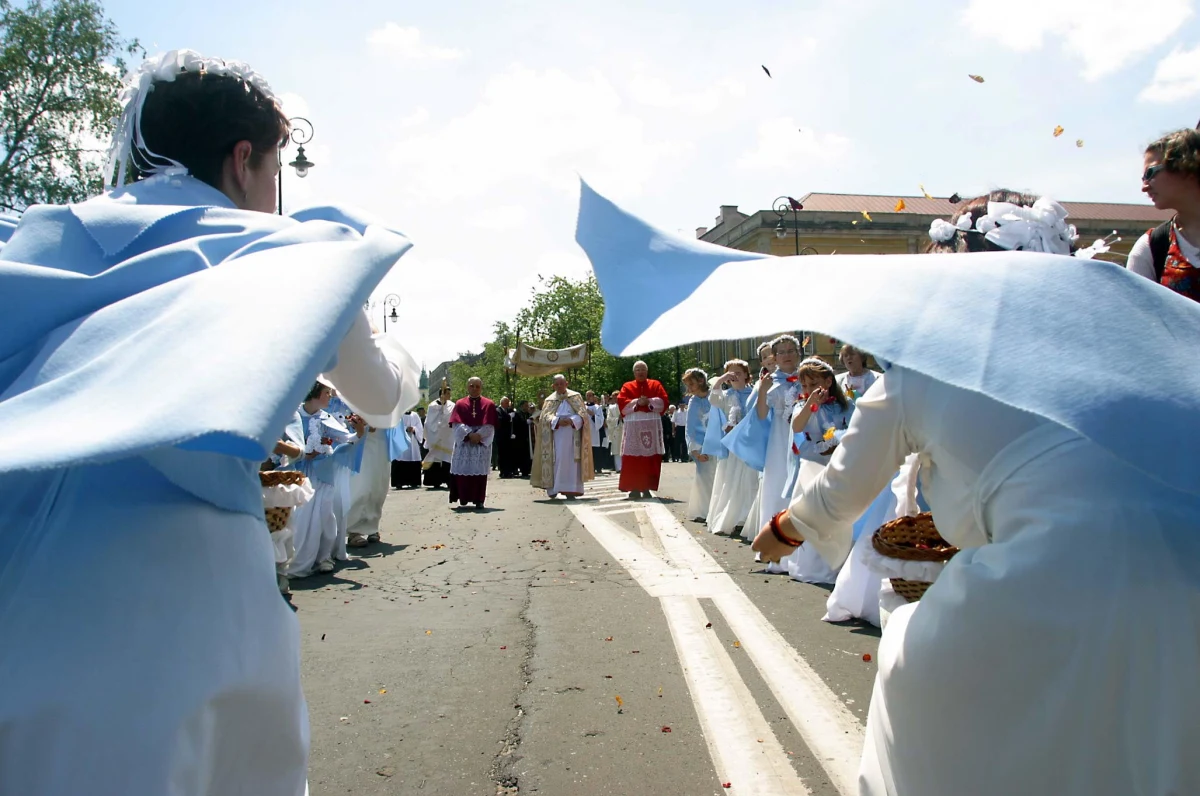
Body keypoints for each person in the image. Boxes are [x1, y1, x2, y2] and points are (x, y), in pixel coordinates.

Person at [576, 181, 1200, 796]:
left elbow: (841, 491)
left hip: (1045, 581)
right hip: (1188, 581)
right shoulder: (1139, 345)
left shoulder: (925, 372)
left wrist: (784, 529)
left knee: (918, 680)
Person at [0, 49, 420, 796]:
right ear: (240, 160)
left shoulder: (40, 235)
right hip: (178, 588)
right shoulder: (284, 254)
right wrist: (385, 338)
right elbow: (381, 397)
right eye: (274, 170)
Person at [1127, 128, 1200, 301]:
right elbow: (1137, 318)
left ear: (1186, 166)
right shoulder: (1152, 247)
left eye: (1150, 173)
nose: (1144, 187)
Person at [705, 360, 757, 535]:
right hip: (732, 444)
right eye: (731, 374)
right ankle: (733, 518)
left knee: (749, 480)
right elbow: (713, 400)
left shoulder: (754, 392)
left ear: (746, 375)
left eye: (738, 373)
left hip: (750, 442)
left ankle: (747, 518)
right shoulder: (726, 395)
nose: (735, 376)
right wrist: (721, 379)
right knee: (732, 479)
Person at [532, 374, 595, 498]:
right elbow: (544, 418)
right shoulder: (549, 400)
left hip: (573, 435)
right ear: (553, 386)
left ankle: (571, 489)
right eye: (557, 384)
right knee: (556, 460)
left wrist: (573, 420)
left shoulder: (576, 397)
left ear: (567, 383)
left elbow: (583, 415)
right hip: (555, 437)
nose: (560, 386)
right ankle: (554, 488)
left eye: (562, 383)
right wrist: (556, 421)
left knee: (573, 461)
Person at [617, 360, 669, 498]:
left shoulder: (655, 384)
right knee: (633, 458)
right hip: (634, 425)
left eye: (643, 369)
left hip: (651, 425)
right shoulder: (627, 386)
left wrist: (649, 402)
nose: (640, 372)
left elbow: (664, 401)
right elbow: (622, 402)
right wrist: (637, 402)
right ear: (634, 372)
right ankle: (634, 488)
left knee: (650, 457)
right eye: (638, 370)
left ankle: (646, 488)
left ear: (647, 371)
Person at [448, 376, 498, 509]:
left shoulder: (489, 404)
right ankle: (463, 498)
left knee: (479, 473)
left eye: (477, 386)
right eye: (472, 386)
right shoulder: (459, 403)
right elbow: (456, 424)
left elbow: (490, 425)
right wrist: (469, 434)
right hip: (465, 443)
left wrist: (479, 435)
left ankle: (479, 499)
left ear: (481, 388)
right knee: (462, 470)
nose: (474, 388)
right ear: (467, 387)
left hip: (480, 444)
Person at [682, 369, 716, 522]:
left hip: (718, 443)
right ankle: (704, 511)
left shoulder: (715, 397)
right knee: (704, 477)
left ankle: (718, 511)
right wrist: (695, 451)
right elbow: (690, 428)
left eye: (691, 384)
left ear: (701, 381)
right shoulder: (693, 402)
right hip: (701, 446)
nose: (689, 389)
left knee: (718, 477)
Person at [422, 382, 454, 488]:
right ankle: (434, 481)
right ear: (442, 394)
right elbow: (429, 422)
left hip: (448, 435)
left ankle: (448, 480)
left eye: (450, 394)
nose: (449, 396)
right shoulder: (433, 406)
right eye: (447, 394)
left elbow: (452, 418)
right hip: (435, 434)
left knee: (447, 457)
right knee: (436, 458)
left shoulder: (452, 405)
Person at [390, 409, 424, 489]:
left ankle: (414, 482)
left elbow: (420, 427)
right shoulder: (398, 414)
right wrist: (405, 429)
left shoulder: (415, 415)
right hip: (401, 440)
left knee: (413, 458)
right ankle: (399, 482)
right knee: (400, 459)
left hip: (413, 440)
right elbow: (394, 426)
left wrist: (414, 429)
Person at [584, 390, 607, 473]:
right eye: (587, 395)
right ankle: (588, 468)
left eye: (590, 395)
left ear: (593, 397)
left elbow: (601, 420)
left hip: (595, 432)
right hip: (585, 431)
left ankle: (598, 467)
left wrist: (593, 415)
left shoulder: (597, 407)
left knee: (596, 450)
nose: (589, 397)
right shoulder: (583, 407)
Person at [495, 396, 517, 478]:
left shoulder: (508, 410)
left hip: (508, 437)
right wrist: (509, 417)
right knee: (502, 455)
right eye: (507, 403)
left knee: (508, 455)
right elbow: (499, 420)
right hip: (501, 437)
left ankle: (508, 471)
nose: (508, 404)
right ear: (502, 403)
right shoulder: (498, 410)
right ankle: (502, 471)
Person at [512, 400, 534, 478]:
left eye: (527, 406)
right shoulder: (517, 414)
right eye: (525, 406)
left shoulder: (528, 414)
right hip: (519, 438)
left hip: (527, 438)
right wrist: (525, 423)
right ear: (521, 406)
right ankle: (517, 469)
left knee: (526, 455)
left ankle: (526, 470)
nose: (527, 407)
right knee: (519, 455)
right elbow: (517, 424)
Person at [606, 390, 623, 473]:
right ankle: (619, 467)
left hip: (625, 429)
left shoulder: (625, 406)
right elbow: (608, 420)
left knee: (625, 448)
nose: (616, 399)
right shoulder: (611, 408)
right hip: (616, 430)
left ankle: (627, 466)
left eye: (617, 397)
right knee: (616, 449)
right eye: (614, 397)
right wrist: (617, 419)